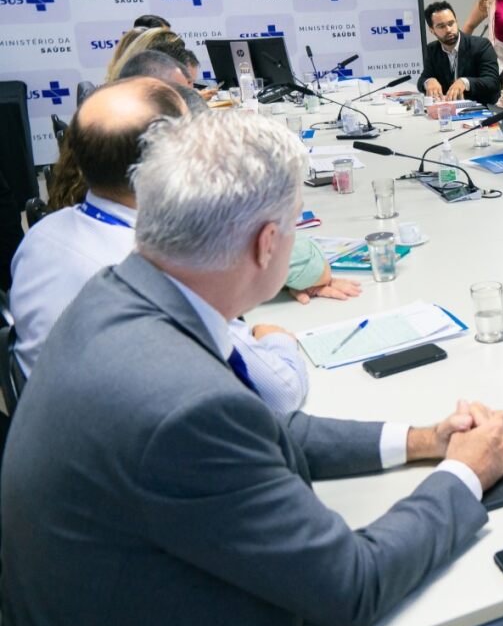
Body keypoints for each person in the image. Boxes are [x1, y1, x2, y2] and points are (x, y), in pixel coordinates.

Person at [1, 108, 503, 626]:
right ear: (267, 243)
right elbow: (352, 584)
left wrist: (424, 439)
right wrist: (465, 472)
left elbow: (263, 429)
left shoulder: (117, 291)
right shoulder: (184, 407)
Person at [6, 78, 348, 413]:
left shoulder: (43, 233)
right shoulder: (159, 264)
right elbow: (281, 390)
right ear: (173, 160)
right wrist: (276, 337)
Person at [418, 0, 499, 104]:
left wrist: (465, 82)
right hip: (449, 111)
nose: (448, 29)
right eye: (441, 26)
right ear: (432, 30)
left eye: (451, 23)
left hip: (481, 110)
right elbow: (422, 80)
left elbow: (492, 82)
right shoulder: (432, 49)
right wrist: (428, 81)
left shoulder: (480, 45)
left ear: (456, 22)